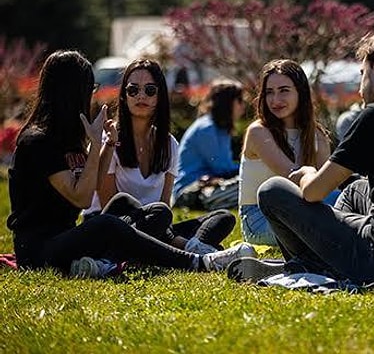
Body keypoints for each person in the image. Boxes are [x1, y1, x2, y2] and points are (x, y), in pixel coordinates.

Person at [228, 26, 374, 283]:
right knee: (355, 189)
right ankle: (320, 258)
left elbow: (313, 192)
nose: (361, 88)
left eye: (362, 74)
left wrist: (307, 173)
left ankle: (312, 264)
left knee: (272, 190)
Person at [6, 50, 255, 278]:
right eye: (88, 89)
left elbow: (90, 183)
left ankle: (111, 261)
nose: (91, 96)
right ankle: (199, 261)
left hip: (70, 239)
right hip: (38, 252)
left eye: (150, 90)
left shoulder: (69, 140)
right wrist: (98, 144)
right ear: (71, 93)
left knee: (146, 210)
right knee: (108, 223)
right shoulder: (38, 141)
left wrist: (104, 146)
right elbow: (82, 199)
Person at [87, 59, 236, 253]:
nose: (141, 95)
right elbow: (109, 205)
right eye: (133, 90)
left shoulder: (169, 144)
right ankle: (189, 249)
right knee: (159, 215)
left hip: (154, 223)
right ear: (124, 96)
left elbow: (165, 205)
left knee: (224, 217)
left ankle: (185, 247)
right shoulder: (109, 140)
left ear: (159, 97)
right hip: (112, 225)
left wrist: (159, 227)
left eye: (150, 90)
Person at [238, 59, 331, 246]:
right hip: (259, 220)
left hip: (302, 210)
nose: (275, 100)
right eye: (269, 93)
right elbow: (292, 177)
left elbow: (328, 186)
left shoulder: (316, 134)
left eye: (284, 91)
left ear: (301, 93)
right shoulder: (259, 132)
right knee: (334, 223)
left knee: (344, 198)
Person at [173, 79, 245, 210]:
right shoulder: (207, 128)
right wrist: (250, 166)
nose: (243, 106)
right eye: (240, 101)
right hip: (190, 191)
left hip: (209, 188)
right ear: (228, 103)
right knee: (248, 183)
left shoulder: (221, 129)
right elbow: (223, 168)